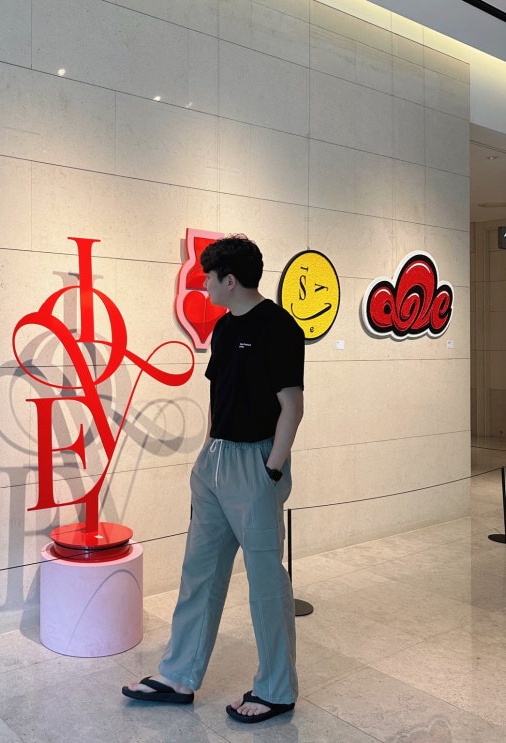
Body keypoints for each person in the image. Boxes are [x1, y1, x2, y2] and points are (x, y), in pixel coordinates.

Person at [122, 234, 305, 724]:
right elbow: (218, 395)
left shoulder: (279, 327)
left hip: (256, 462)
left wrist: (272, 469)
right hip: (216, 461)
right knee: (199, 572)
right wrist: (206, 452)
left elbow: (292, 406)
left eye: (208, 277)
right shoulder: (224, 328)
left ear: (231, 280)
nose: (203, 285)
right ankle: (178, 675)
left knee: (265, 583)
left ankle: (277, 689)